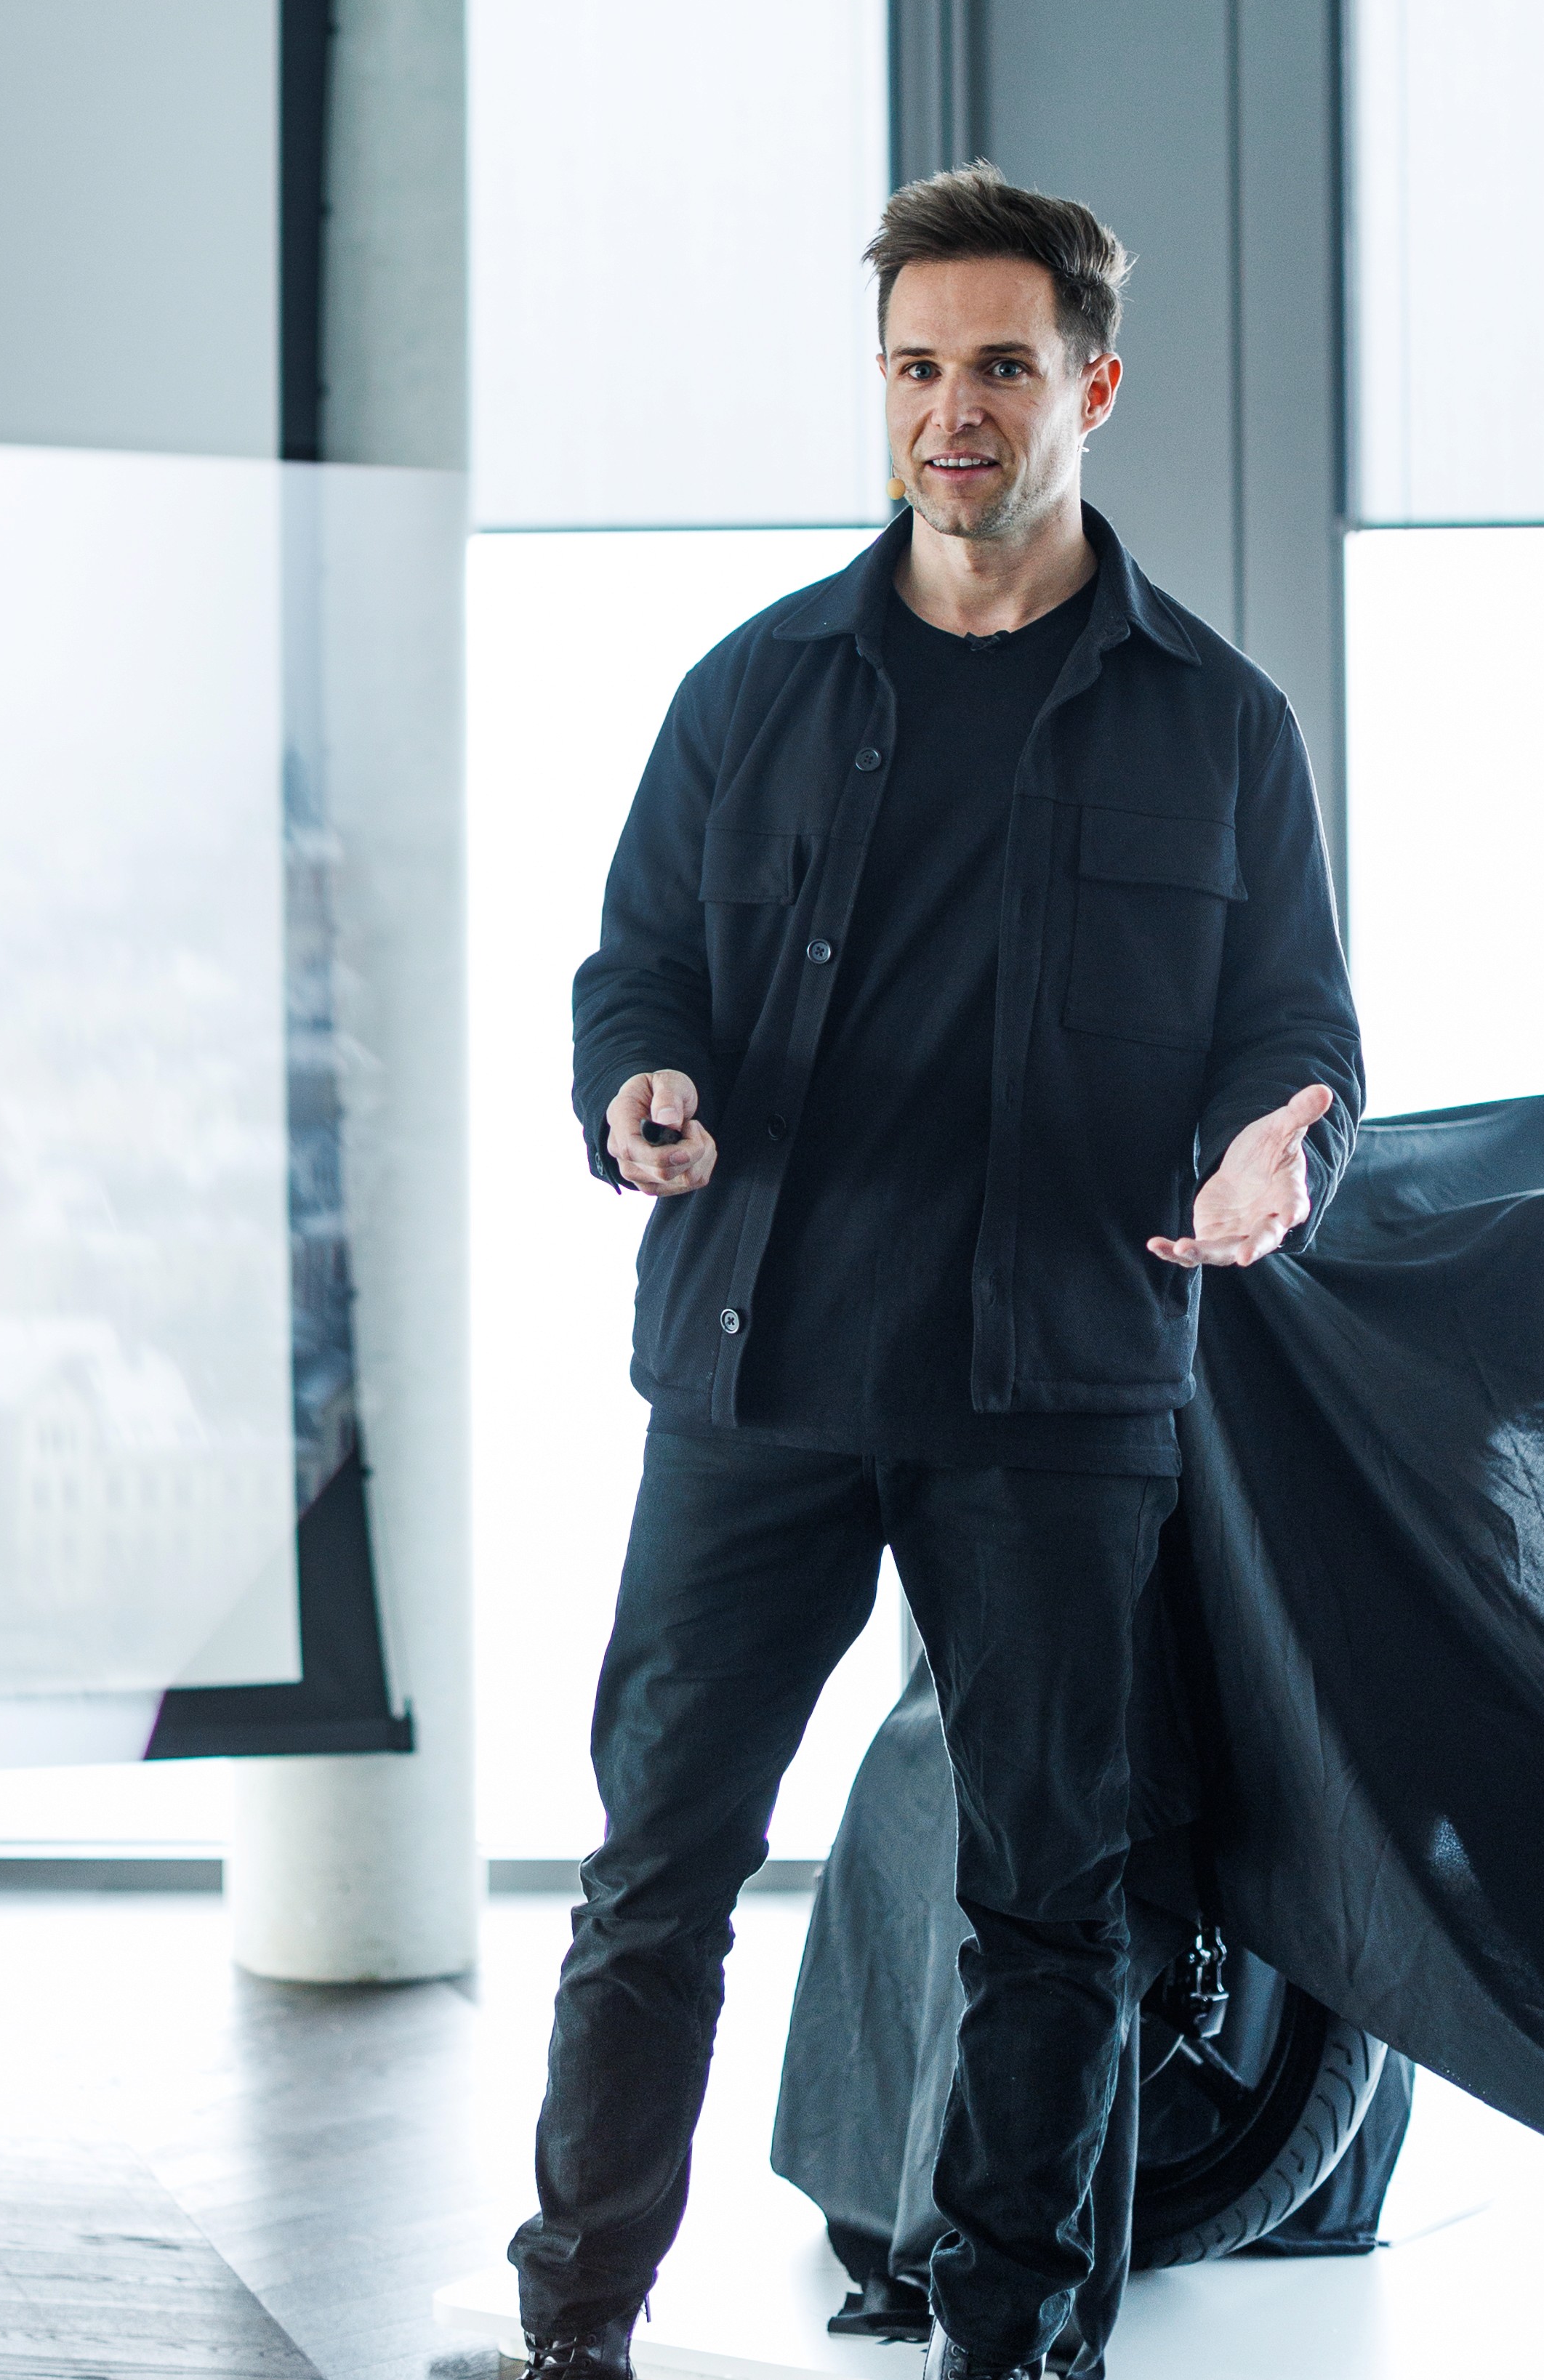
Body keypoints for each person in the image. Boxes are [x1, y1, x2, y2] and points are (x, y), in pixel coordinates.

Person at [510, 163, 1364, 2380]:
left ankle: (1011, 2355)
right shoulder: (755, 690)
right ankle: (573, 2331)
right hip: (760, 1367)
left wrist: (1292, 1149)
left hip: (1060, 1390)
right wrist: (644, 1090)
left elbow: (1297, 1035)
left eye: (996, 365)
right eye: (913, 367)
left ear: (1091, 377)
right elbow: (638, 974)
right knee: (655, 1882)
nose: (949, 412)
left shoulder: (1221, 727)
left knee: (1053, 1908)